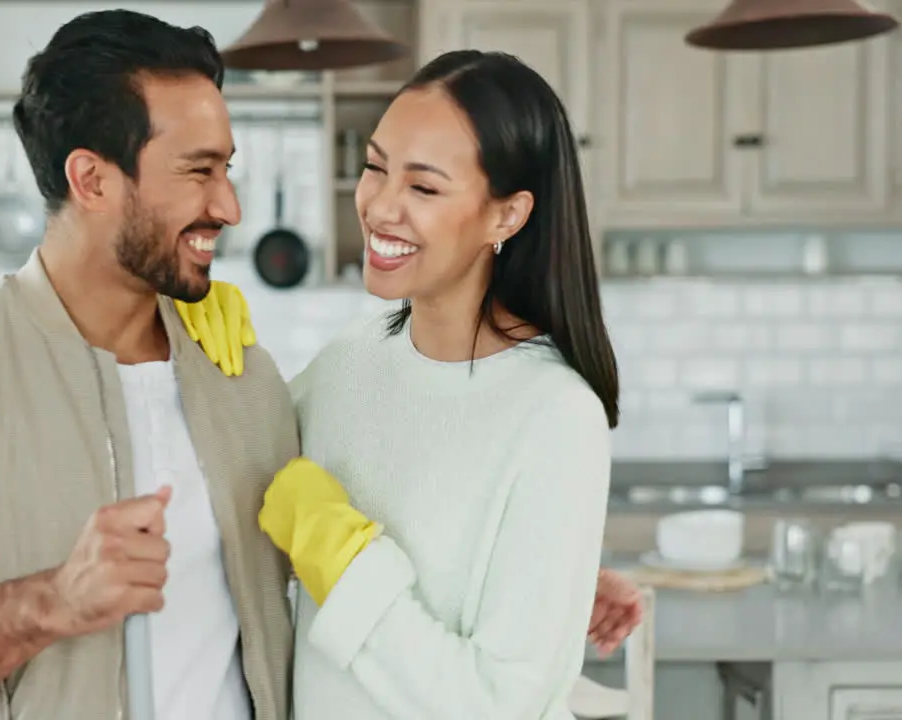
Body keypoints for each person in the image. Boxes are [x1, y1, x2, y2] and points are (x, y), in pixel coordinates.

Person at [0, 11, 638, 720]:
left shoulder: (239, 378)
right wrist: (50, 601)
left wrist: (544, 576)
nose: (230, 207)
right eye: (198, 172)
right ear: (92, 180)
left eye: (227, 169)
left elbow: (342, 531)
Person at [179, 49, 624, 719]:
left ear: (507, 216)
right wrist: (185, 338)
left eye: (423, 187)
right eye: (374, 166)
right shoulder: (350, 363)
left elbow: (500, 705)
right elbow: (232, 477)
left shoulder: (556, 415)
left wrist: (346, 567)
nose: (381, 206)